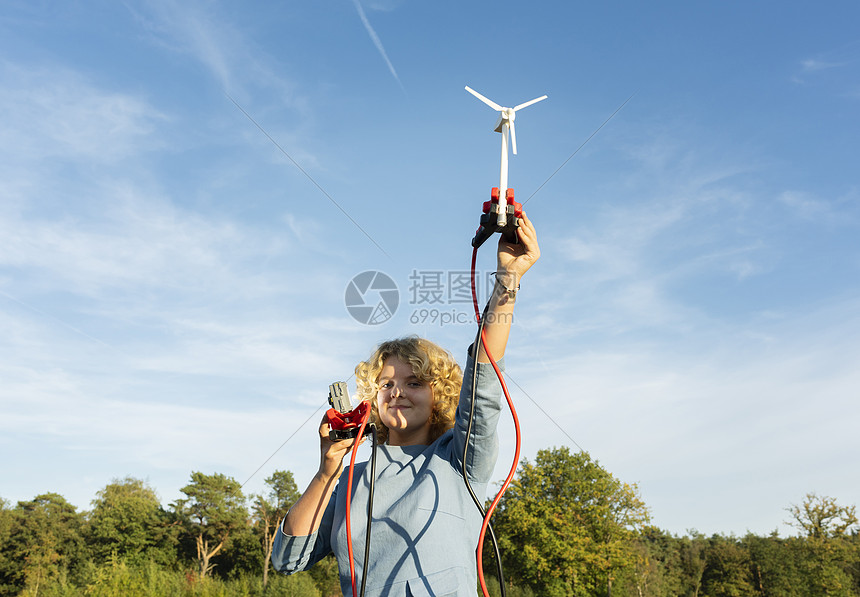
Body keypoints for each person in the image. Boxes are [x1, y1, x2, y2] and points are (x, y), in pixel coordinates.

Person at [272, 213, 540, 596]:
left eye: (414, 382)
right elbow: (287, 560)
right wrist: (327, 470)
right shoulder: (349, 481)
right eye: (386, 384)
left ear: (440, 394)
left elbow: (483, 386)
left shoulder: (459, 461)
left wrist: (507, 282)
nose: (396, 391)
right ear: (372, 398)